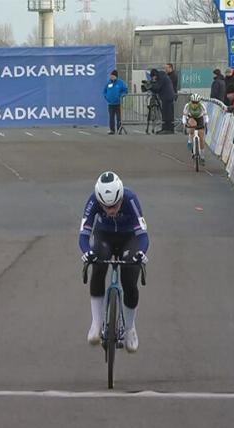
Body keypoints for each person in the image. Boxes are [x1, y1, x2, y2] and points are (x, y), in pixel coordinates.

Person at [79, 171, 149, 353]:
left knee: (129, 280)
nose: (111, 211)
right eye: (106, 207)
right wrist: (87, 253)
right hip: (104, 236)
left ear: (121, 197)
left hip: (128, 238)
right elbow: (84, 236)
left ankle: (130, 328)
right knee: (98, 266)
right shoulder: (93, 200)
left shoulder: (130, 198)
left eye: (115, 205)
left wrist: (141, 253)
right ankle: (96, 323)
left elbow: (142, 235)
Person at [183, 93, 209, 164]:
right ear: (191, 101)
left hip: (200, 118)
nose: (195, 104)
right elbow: (184, 116)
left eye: (196, 102)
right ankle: (190, 140)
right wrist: (184, 123)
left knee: (201, 137)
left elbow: (206, 116)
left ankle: (202, 156)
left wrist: (206, 123)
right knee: (193, 125)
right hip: (191, 117)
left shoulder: (202, 106)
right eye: (193, 102)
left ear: (199, 102)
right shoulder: (187, 106)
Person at [149, 68, 175, 134]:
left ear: (155, 75)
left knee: (167, 114)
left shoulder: (161, 77)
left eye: (153, 77)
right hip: (166, 97)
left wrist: (150, 86)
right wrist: (151, 85)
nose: (154, 79)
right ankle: (165, 128)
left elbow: (157, 87)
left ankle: (169, 129)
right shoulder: (161, 76)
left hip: (167, 97)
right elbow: (157, 88)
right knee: (165, 113)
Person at [103, 70, 128, 135]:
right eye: (111, 76)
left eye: (113, 76)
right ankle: (112, 130)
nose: (111, 77)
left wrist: (121, 96)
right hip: (110, 104)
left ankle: (119, 129)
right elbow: (104, 91)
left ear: (116, 76)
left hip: (118, 103)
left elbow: (125, 90)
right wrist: (106, 97)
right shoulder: (108, 83)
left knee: (119, 117)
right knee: (111, 117)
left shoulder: (121, 83)